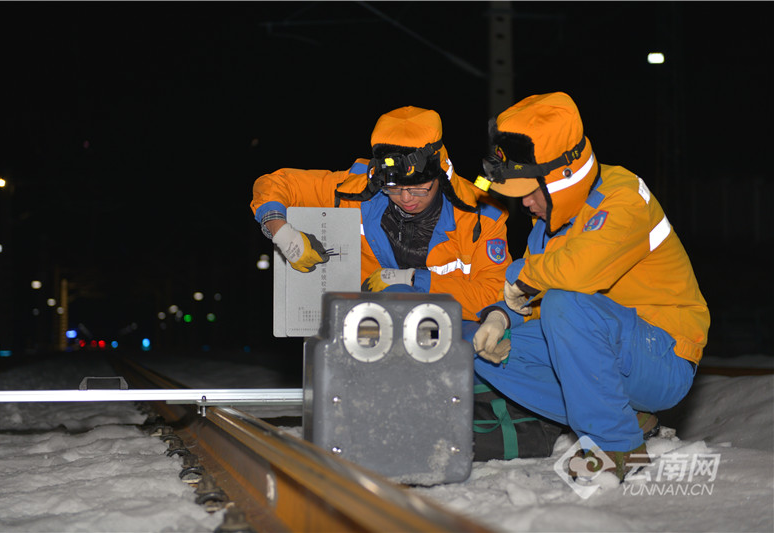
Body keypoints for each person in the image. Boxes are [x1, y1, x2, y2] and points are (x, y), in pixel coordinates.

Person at [470, 92, 710, 481]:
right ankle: (626, 418)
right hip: (613, 352)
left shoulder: (623, 196)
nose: (525, 203)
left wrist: (523, 277)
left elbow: (577, 273)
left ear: (563, 177)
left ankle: (617, 448)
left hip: (664, 353)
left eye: (530, 191)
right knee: (480, 347)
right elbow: (531, 292)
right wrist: (500, 316)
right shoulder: (547, 224)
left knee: (565, 303)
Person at [250, 106, 511, 326]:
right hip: (363, 330)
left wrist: (413, 281)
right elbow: (274, 183)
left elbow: (495, 293)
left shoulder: (482, 217)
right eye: (393, 187)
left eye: (419, 188)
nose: (406, 198)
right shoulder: (352, 192)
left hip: (449, 330)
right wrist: (282, 233)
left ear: (442, 174)